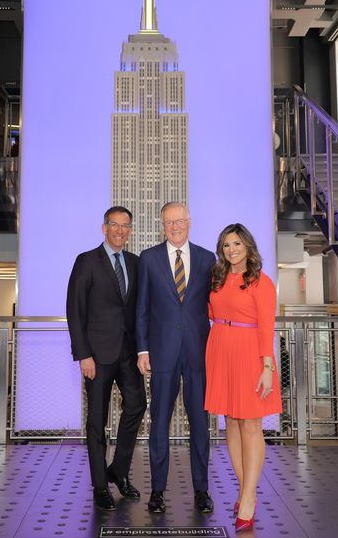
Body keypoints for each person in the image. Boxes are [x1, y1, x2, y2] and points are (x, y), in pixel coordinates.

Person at [136, 202, 216, 514]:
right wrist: (142, 350)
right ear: (162, 225)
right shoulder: (149, 259)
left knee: (200, 424)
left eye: (179, 221)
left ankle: (201, 490)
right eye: (169, 222)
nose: (175, 227)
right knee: (159, 425)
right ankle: (157, 491)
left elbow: (216, 306)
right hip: (161, 355)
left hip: (198, 354)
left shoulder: (209, 259)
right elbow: (141, 309)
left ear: (189, 222)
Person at [67, 206, 147, 511]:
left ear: (130, 231)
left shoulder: (136, 263)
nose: (120, 231)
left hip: (129, 353)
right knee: (97, 421)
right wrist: (83, 354)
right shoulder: (87, 261)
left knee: (137, 405)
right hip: (96, 357)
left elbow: (139, 309)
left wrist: (143, 349)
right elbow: (75, 310)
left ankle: (118, 469)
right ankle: (100, 485)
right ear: (104, 228)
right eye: (115, 225)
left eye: (126, 226)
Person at [205, 223, 280, 532]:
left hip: (251, 354)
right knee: (231, 423)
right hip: (221, 349)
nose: (231, 250)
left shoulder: (262, 282)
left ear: (248, 246)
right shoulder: (218, 277)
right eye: (226, 245)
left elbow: (266, 326)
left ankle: (248, 497)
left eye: (236, 244)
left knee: (250, 425)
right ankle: (244, 489)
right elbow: (210, 312)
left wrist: (267, 367)